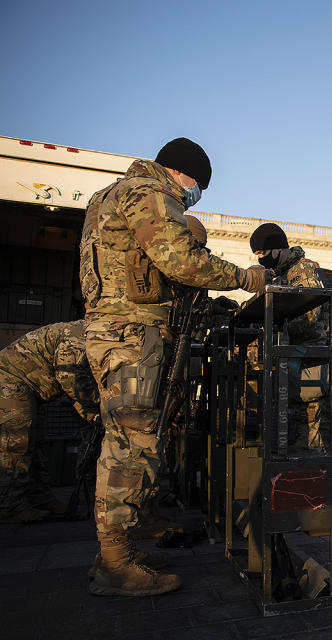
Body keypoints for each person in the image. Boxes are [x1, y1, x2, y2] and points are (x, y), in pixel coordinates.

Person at [80, 137, 271, 596]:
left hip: (113, 330)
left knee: (127, 440)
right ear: (184, 174)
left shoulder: (106, 195)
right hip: (131, 333)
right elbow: (182, 260)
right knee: (131, 447)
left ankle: (119, 550)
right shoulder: (149, 193)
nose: (193, 197)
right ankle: (113, 566)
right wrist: (248, 278)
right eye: (197, 186)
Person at [247, 223, 332, 454]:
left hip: (316, 366)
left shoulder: (303, 271)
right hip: (299, 365)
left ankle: (331, 484)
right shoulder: (279, 276)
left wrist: (270, 319)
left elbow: (308, 319)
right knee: (303, 441)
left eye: (262, 253)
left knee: (323, 442)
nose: (261, 259)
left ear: (278, 249)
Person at [0, 321, 100, 523]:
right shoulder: (79, 337)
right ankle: (10, 507)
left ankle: (40, 498)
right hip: (10, 381)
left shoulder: (89, 335)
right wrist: (96, 409)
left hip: (30, 389)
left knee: (36, 445)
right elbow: (71, 380)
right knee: (18, 445)